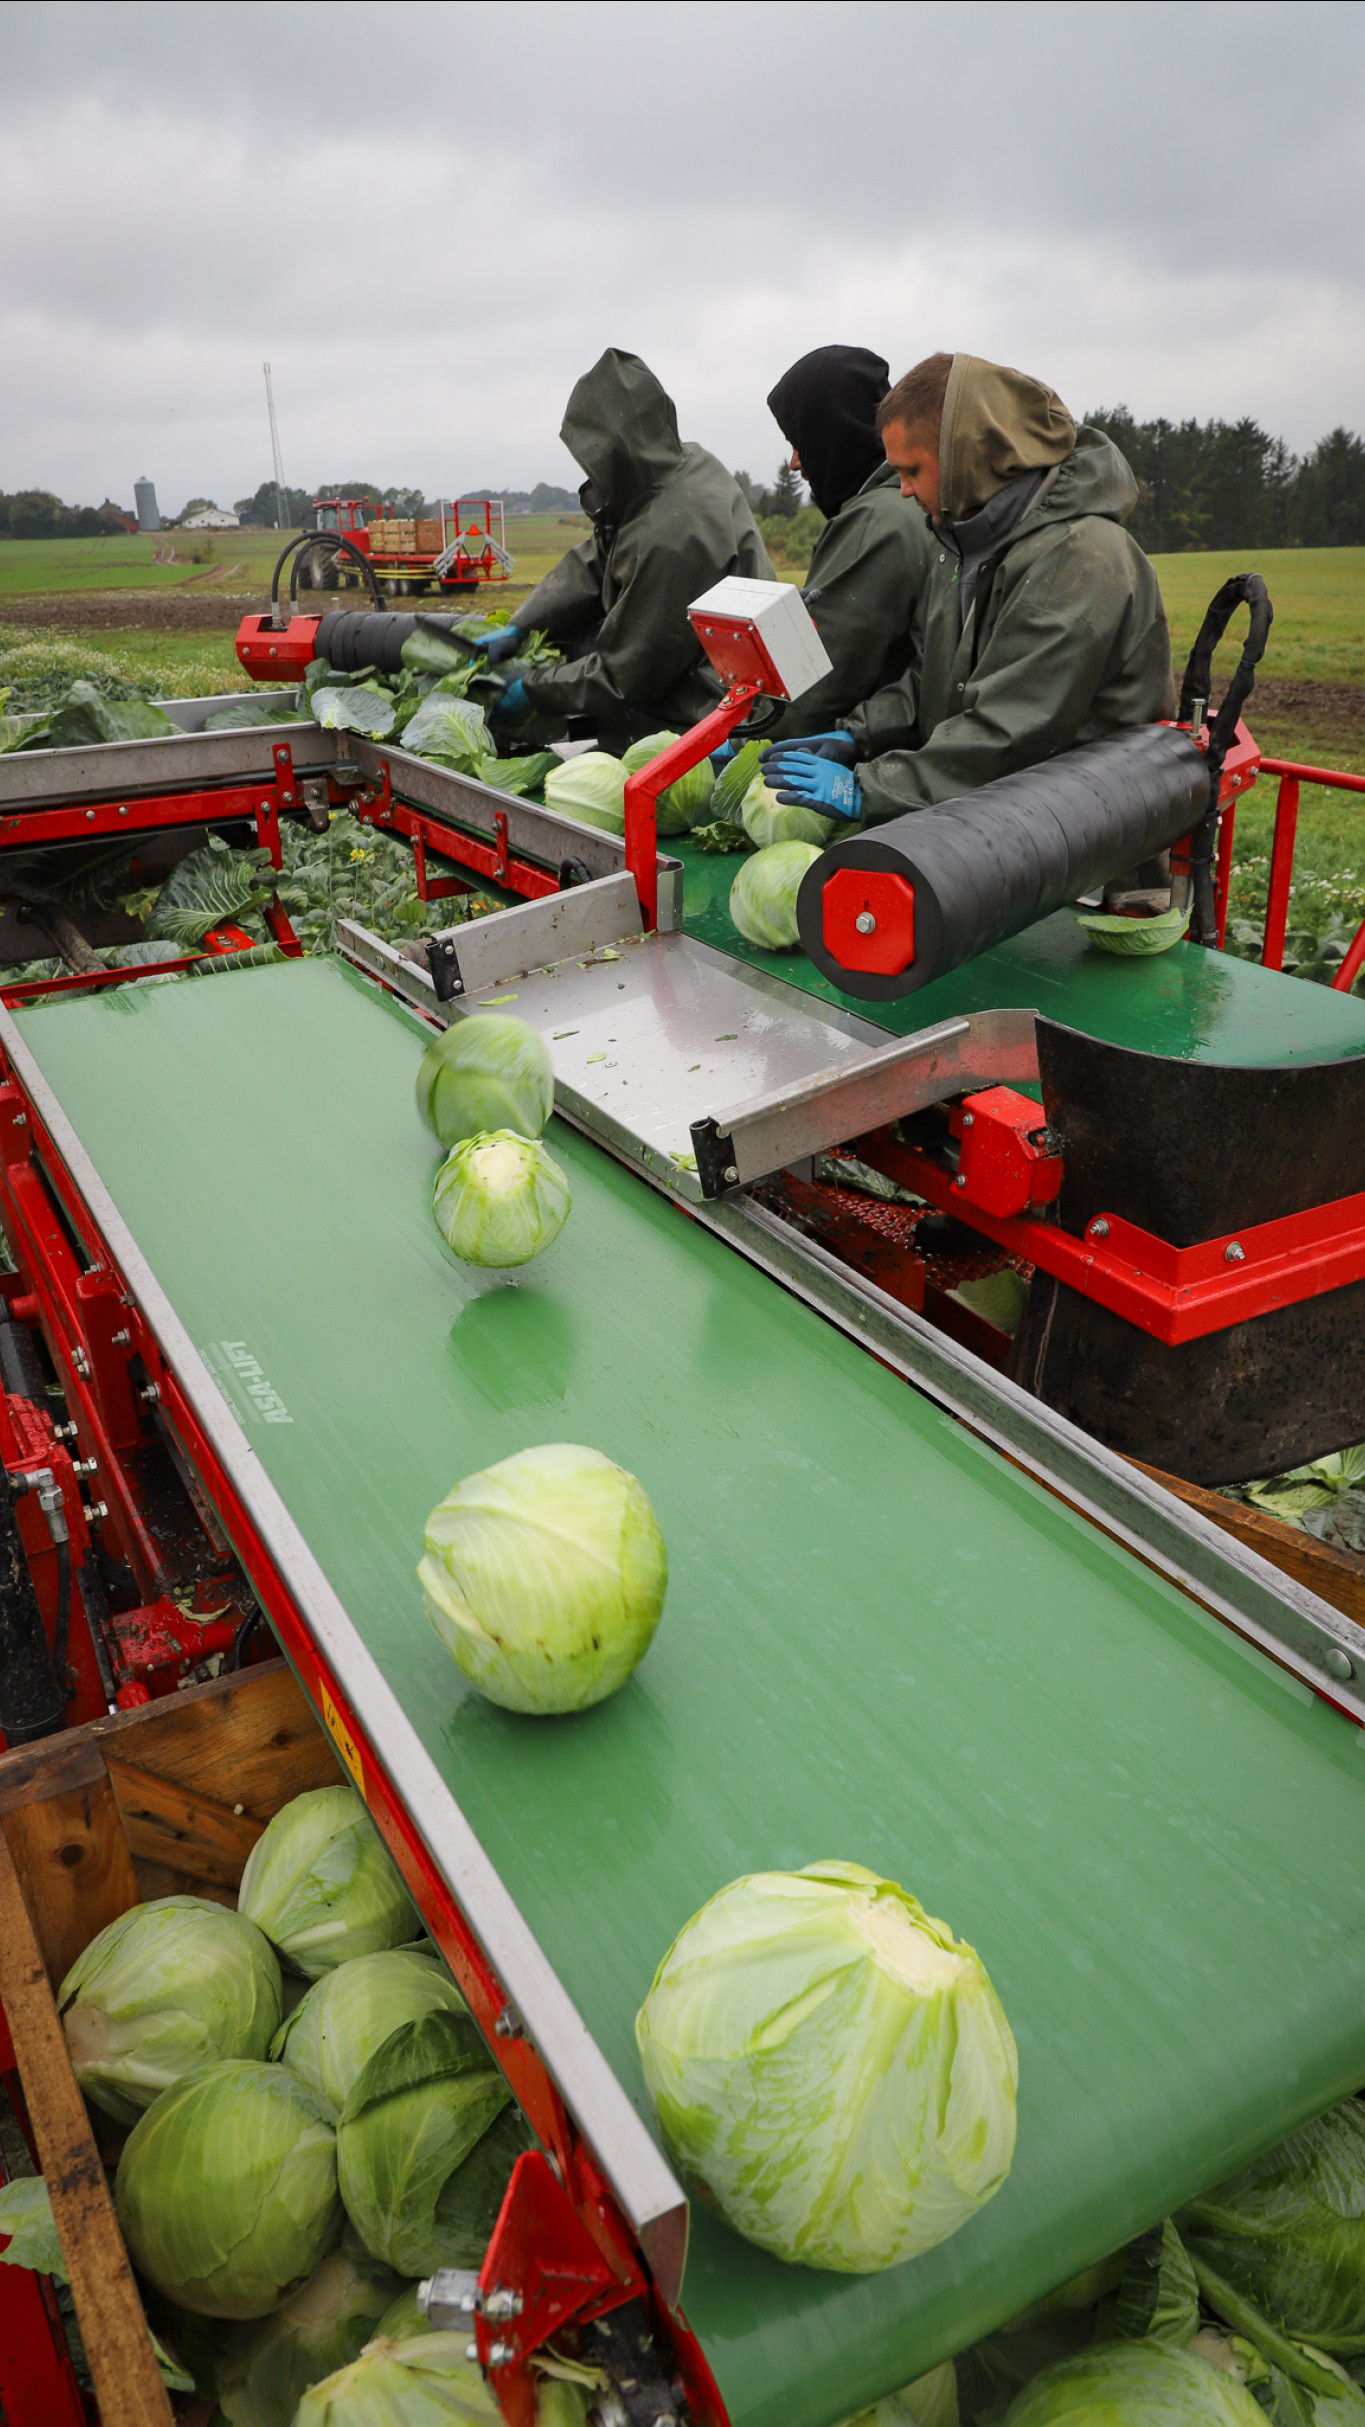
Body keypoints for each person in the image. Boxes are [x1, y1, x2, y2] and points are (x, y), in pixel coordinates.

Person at [767, 351, 1175, 828]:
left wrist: (869, 786)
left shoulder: (1080, 557)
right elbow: (929, 678)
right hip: (1005, 827)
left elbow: (1011, 730)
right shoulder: (961, 543)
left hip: (1092, 845)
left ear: (966, 458)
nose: (901, 490)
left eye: (913, 471)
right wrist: (855, 735)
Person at [483, 348, 772, 752]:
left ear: (615, 453)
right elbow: (599, 556)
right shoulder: (679, 467)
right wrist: (523, 624)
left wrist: (534, 691)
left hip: (715, 722)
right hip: (688, 696)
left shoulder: (675, 532)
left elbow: (626, 673)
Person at [764, 344, 936, 737]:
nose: (795, 462)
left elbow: (808, 693)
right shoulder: (913, 503)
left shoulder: (875, 523)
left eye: (800, 440)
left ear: (832, 433)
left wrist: (746, 735)